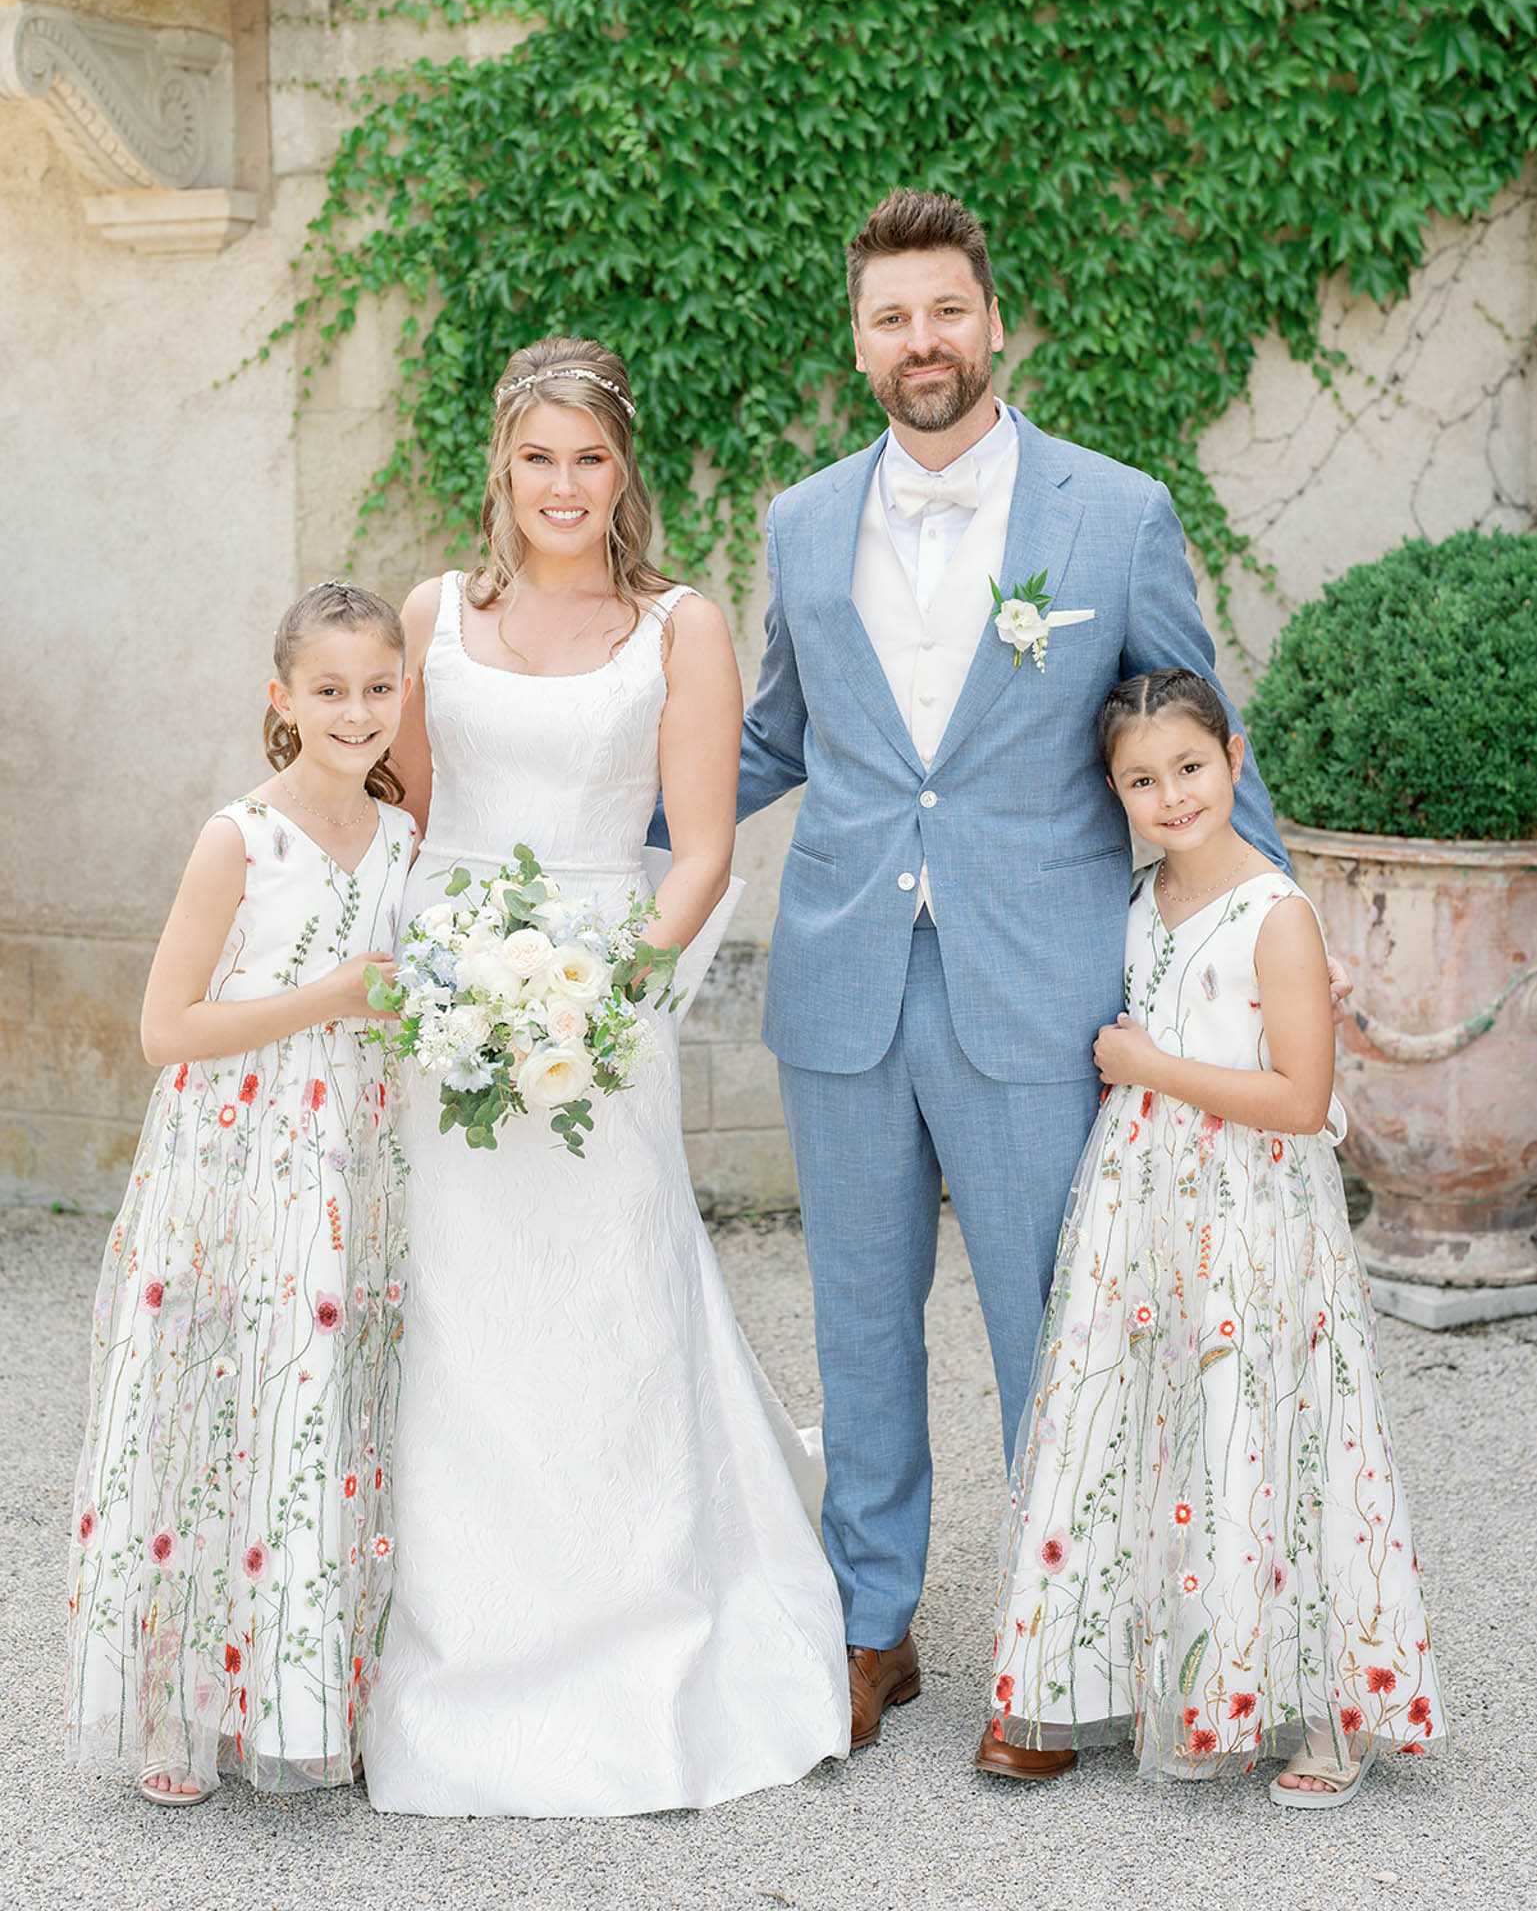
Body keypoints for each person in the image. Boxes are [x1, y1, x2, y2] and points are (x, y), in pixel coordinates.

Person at [652, 188, 1351, 1765]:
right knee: (855, 1319)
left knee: (1058, 1317)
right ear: (858, 341)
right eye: (892, 318)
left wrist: (1273, 929)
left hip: (1040, 992)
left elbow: (1196, 728)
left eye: (946, 312)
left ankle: (1066, 1633)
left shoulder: (1114, 514)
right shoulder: (800, 519)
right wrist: (567, 812)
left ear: (994, 320)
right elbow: (772, 736)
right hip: (844, 977)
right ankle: (870, 1625)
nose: (923, 342)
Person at [361, 336, 849, 1819]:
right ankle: (458, 1636)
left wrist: (598, 1001)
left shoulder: (679, 627)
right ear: (499, 469)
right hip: (450, 1007)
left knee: (609, 1298)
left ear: (620, 470)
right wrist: (459, 986)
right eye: (535, 458)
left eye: (587, 457)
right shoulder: (436, 612)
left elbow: (699, 849)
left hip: (602, 1005)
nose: (561, 485)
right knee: (457, 1311)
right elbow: (418, 821)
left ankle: (642, 1635)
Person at [982, 669, 1444, 1806]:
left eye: (1188, 766)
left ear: (1234, 759)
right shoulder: (1144, 899)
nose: (1170, 793)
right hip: (1148, 1209)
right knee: (1183, 1437)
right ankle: (1210, 1677)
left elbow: (1297, 1097)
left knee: (1278, 1433)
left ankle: (1339, 1712)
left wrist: (1145, 1065)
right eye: (1140, 779)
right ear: (1114, 793)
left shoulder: (1273, 913)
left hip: (1252, 1209)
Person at [66, 582, 415, 1805]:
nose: (356, 710)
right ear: (282, 699)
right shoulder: (242, 835)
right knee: (213, 1401)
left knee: (320, 1405)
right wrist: (331, 997)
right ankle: (173, 1698)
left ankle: (302, 1686)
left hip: (353, 1155)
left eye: (379, 686)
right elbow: (168, 1025)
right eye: (329, 689)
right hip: (234, 1149)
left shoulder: (403, 835)